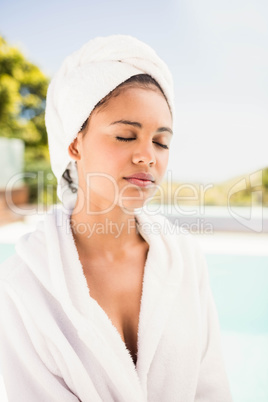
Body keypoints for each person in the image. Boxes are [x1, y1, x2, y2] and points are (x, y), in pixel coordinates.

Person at [0, 35, 233, 401]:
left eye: (161, 141)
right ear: (74, 144)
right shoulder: (22, 286)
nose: (147, 156)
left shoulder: (184, 259)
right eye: (126, 135)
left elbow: (212, 388)